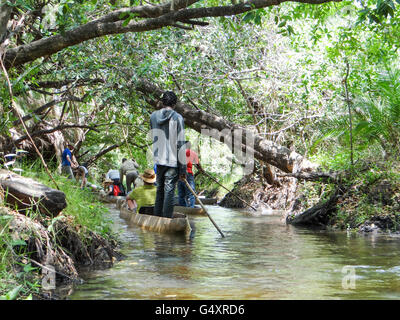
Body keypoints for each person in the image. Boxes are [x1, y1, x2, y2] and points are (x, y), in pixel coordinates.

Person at [150, 91, 186, 218]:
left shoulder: (153, 116)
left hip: (159, 159)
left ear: (162, 102)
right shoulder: (178, 118)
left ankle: (157, 218)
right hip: (172, 161)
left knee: (159, 190)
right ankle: (166, 220)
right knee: (169, 191)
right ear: (174, 104)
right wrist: (183, 169)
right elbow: (181, 143)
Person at [177, 141, 204, 208]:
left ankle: (183, 208)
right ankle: (191, 207)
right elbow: (198, 165)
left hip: (180, 175)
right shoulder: (193, 153)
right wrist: (201, 170)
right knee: (191, 193)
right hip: (188, 174)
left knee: (181, 194)